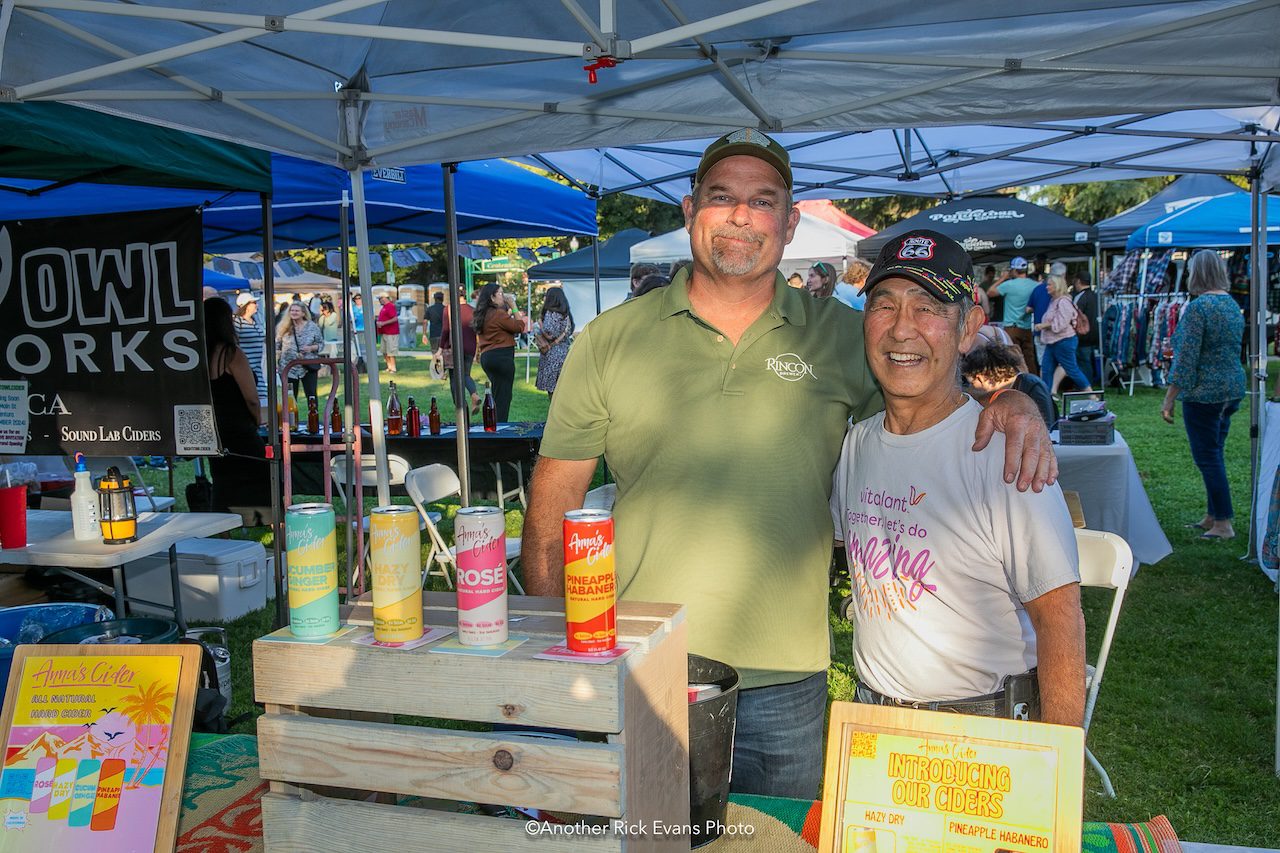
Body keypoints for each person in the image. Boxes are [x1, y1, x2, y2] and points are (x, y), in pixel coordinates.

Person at [520, 130, 1054, 800]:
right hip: (641, 669)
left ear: (790, 222)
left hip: (787, 681)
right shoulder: (610, 340)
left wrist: (1009, 404)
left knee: (777, 842)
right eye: (722, 196)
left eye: (763, 200)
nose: (741, 214)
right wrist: (551, 663)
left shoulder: (840, 336)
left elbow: (927, 394)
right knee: (643, 842)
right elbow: (551, 504)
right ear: (689, 211)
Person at [832, 231, 1084, 726]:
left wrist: (1058, 769)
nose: (902, 330)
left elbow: (1060, 622)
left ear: (969, 328)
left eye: (927, 308)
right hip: (872, 721)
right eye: (884, 306)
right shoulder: (855, 446)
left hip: (980, 728)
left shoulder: (1005, 452)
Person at [1162, 251, 1247, 540]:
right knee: (1215, 454)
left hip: (1205, 393)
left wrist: (1169, 398)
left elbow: (1187, 359)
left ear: (1196, 273)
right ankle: (1214, 515)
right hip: (1231, 389)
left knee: (1208, 457)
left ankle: (1223, 522)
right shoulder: (1231, 304)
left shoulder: (1200, 308)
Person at [204, 298, 270, 513]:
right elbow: (251, 396)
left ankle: (222, 532)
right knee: (264, 476)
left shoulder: (197, 355)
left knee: (222, 483)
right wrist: (257, 419)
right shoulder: (231, 354)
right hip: (239, 427)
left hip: (214, 428)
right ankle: (271, 523)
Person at [962, 343, 1057, 429]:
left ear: (982, 378)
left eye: (973, 383)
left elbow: (1046, 427)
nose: (972, 387)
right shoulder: (1020, 387)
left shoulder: (1032, 386)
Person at [473, 283, 526, 422]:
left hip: (488, 357)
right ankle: (499, 432)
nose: (504, 296)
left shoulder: (484, 313)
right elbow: (520, 326)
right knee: (503, 398)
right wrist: (513, 305)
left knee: (497, 395)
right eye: (501, 294)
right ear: (492, 297)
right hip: (502, 357)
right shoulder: (497, 314)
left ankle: (492, 425)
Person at [1035, 272, 1093, 395]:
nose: (1046, 287)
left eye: (1049, 285)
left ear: (1057, 286)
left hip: (1064, 341)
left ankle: (1091, 394)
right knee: (1046, 370)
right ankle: (1047, 398)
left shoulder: (1063, 302)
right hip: (1052, 342)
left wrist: (1043, 326)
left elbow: (1060, 324)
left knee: (1071, 369)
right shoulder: (1053, 301)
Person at [987, 257, 1039, 374]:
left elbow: (990, 292)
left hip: (1011, 328)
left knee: (1011, 358)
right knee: (1029, 358)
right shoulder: (1035, 285)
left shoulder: (1009, 284)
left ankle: (1015, 384)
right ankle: (1033, 383)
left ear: (1014, 270)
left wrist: (1003, 278)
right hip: (1026, 327)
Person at [275, 301, 323, 404]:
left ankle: (313, 417)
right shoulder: (283, 326)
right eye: (292, 310)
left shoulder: (312, 327)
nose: (294, 313)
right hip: (288, 367)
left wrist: (310, 348)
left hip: (308, 366)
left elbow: (321, 344)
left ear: (303, 313)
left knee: (311, 395)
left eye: (297, 311)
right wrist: (277, 361)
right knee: (290, 396)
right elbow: (277, 345)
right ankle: (291, 419)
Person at [439, 299, 481, 415]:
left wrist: (440, 349)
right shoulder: (473, 310)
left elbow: (446, 330)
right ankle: (474, 394)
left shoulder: (449, 309)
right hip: (470, 347)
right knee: (466, 374)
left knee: (454, 378)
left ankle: (462, 409)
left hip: (455, 348)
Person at [535, 286, 574, 400]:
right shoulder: (566, 315)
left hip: (552, 354)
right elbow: (568, 332)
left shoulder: (551, 314)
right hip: (564, 353)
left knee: (552, 391)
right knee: (563, 388)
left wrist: (540, 325)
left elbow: (549, 333)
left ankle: (555, 415)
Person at [233, 292, 267, 415]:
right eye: (253, 302)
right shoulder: (237, 321)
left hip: (257, 368)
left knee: (262, 398)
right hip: (245, 369)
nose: (256, 305)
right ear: (245, 305)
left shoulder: (255, 321)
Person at [1072, 271, 1099, 386]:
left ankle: (1086, 385)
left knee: (1083, 362)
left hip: (1083, 336)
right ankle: (1091, 382)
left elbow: (1075, 315)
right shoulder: (1095, 296)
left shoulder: (1080, 297)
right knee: (1089, 360)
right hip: (1095, 334)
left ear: (1078, 281)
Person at [376, 294, 400, 373]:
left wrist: (383, 323)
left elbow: (395, 318)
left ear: (385, 298)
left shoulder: (390, 306)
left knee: (391, 351)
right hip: (384, 332)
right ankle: (389, 366)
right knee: (384, 351)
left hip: (391, 333)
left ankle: (393, 368)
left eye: (380, 298)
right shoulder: (384, 308)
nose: (379, 300)